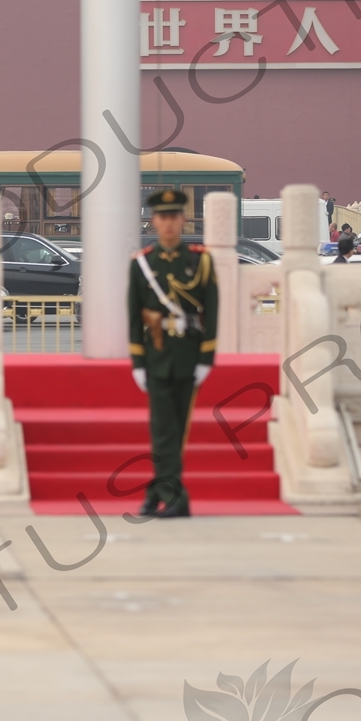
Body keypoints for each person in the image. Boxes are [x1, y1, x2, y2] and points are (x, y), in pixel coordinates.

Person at [127, 188, 218, 520]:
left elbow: (212, 311)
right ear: (154, 221)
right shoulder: (142, 264)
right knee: (164, 429)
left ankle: (155, 491)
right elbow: (134, 315)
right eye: (162, 217)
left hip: (189, 355)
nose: (168, 223)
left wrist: (207, 357)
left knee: (176, 430)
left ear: (182, 219)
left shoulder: (200, 260)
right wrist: (138, 361)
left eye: (174, 217)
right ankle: (175, 499)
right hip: (157, 356)